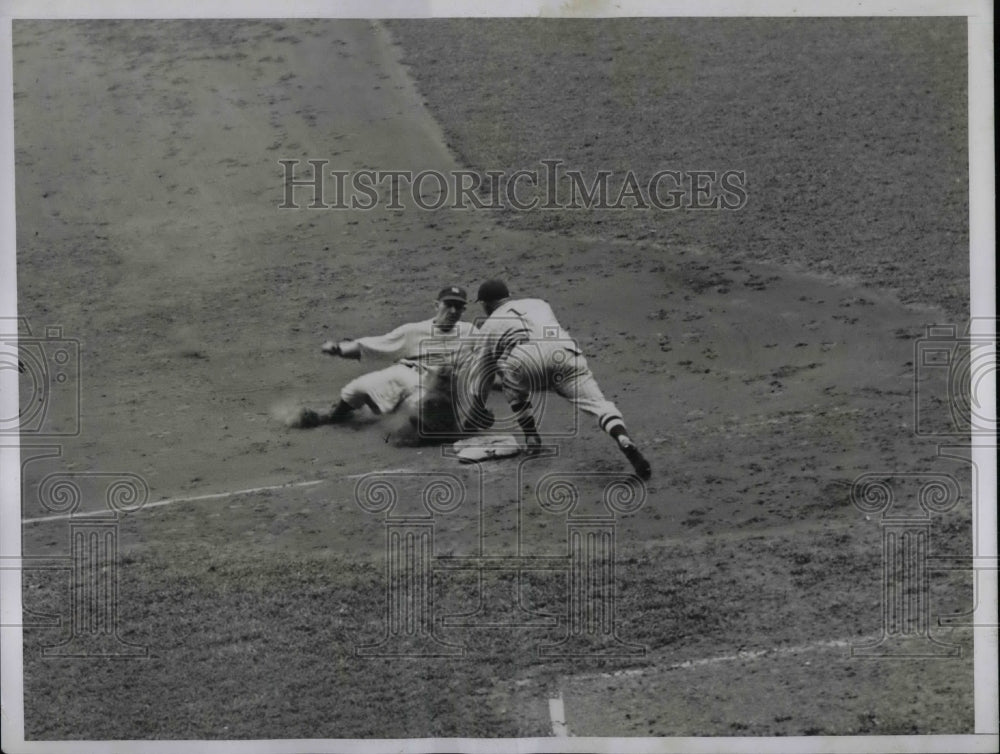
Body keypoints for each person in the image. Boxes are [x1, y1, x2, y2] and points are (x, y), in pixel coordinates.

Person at [464, 279, 652, 480]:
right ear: (508, 297)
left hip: (524, 360)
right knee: (598, 404)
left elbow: (483, 375)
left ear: (485, 304)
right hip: (564, 353)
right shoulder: (539, 303)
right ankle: (621, 435)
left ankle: (531, 436)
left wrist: (476, 411)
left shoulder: (488, 326)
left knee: (506, 371)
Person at [292, 286, 475, 427]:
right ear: (437, 305)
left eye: (458, 307)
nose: (453, 311)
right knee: (356, 388)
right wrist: (339, 349)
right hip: (409, 373)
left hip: (438, 387)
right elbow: (376, 345)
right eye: (448, 305)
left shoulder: (470, 332)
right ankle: (334, 416)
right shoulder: (413, 330)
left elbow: (487, 361)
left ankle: (427, 428)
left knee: (424, 406)